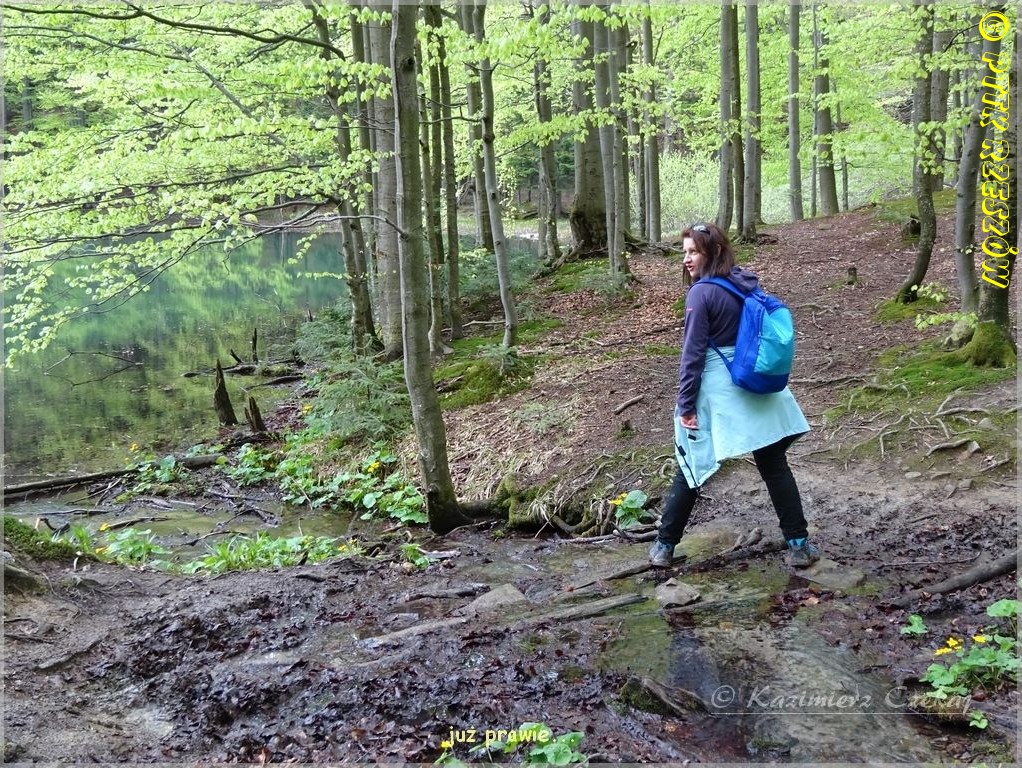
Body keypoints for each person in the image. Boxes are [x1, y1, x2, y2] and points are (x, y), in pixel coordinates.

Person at [648, 222, 821, 569]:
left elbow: (692, 355)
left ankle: (664, 547)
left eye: (693, 252)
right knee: (774, 465)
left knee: (692, 465)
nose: (686, 259)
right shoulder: (742, 283)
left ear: (713, 251)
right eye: (684, 252)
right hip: (752, 381)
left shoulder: (700, 293)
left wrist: (686, 404)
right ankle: (799, 545)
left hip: (719, 389)